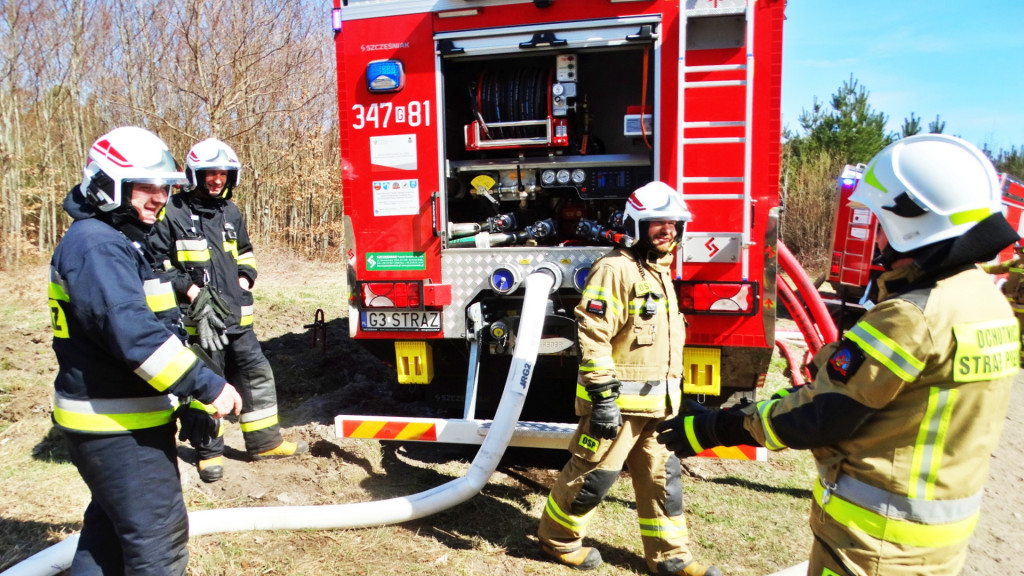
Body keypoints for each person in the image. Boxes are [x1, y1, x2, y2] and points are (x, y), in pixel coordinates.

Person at [657, 134, 1020, 576]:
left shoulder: (913, 316)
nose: (881, 238)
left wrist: (715, 426)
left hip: (875, 544)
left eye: (884, 222)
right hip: (937, 541)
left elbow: (820, 414)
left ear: (912, 221)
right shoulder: (988, 302)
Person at [49, 126, 243, 574]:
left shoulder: (115, 240)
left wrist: (181, 399)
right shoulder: (97, 246)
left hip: (120, 421)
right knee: (159, 542)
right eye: (146, 187)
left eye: (165, 187)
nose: (159, 197)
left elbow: (149, 330)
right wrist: (206, 384)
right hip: (117, 429)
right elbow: (134, 335)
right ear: (105, 185)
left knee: (107, 538)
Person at [537, 181, 721, 576]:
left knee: (663, 483)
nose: (667, 230)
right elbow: (593, 335)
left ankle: (670, 556)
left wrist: (678, 394)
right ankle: (558, 540)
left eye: (673, 223)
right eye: (657, 223)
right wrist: (602, 398)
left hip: (660, 407)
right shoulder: (615, 269)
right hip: (617, 408)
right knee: (592, 478)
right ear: (637, 225)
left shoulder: (659, 272)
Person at [147, 137, 307, 483]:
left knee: (256, 377)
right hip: (199, 321)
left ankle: (265, 443)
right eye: (210, 173)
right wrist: (189, 290)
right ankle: (209, 454)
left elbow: (246, 253)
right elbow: (155, 263)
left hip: (238, 320)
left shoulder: (230, 212)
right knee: (206, 385)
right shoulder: (170, 212)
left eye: (223, 173)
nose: (217, 179)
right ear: (194, 174)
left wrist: (245, 281)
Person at [982, 242, 1024, 366]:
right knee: (1015, 330)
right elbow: (994, 269)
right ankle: (1017, 355)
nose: (1018, 253)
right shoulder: (1013, 263)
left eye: (1021, 250)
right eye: (1017, 250)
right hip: (1014, 305)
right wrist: (975, 266)